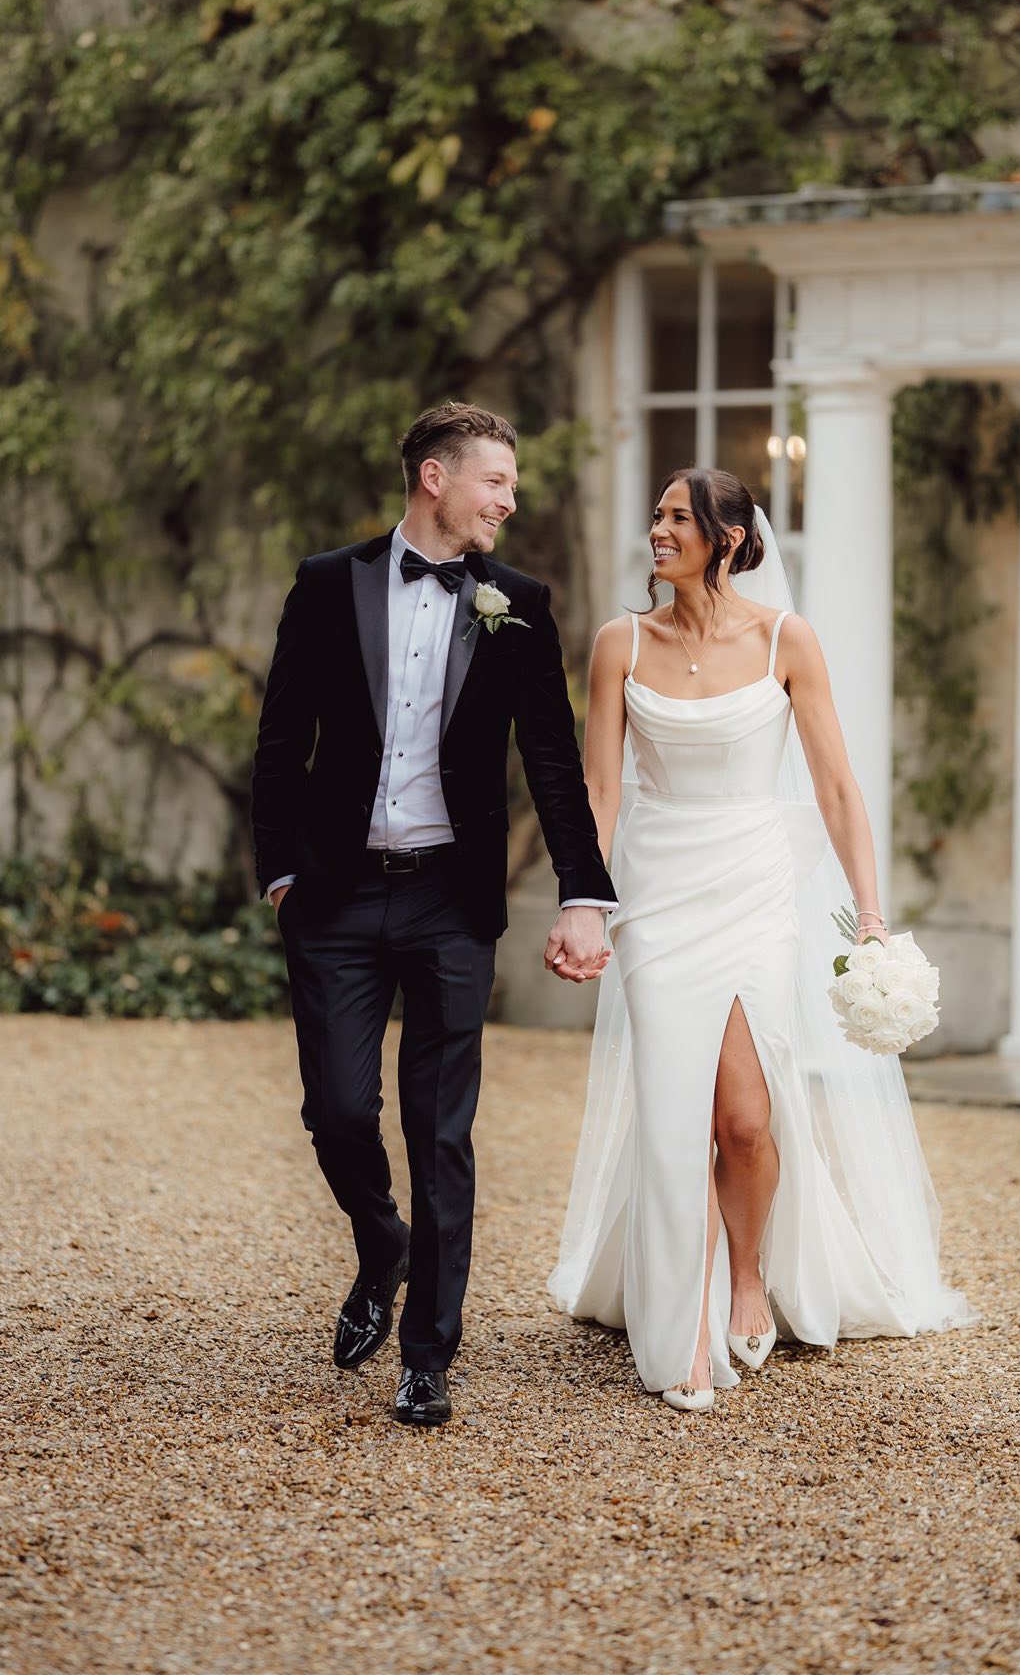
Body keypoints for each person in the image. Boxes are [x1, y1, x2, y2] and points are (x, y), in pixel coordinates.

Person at [549, 467, 972, 1411]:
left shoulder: (788, 640)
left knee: (744, 1121)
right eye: (657, 516)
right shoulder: (621, 642)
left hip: (755, 893)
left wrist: (870, 917)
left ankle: (747, 1272)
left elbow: (836, 787)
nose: (659, 531)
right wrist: (583, 902)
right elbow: (600, 791)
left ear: (731, 538)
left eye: (679, 518)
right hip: (657, 897)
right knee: (674, 1119)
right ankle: (685, 1336)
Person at [252, 402, 615, 1428]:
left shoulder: (517, 603)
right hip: (334, 894)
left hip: (451, 900)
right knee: (337, 1112)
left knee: (440, 1130)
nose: (509, 500)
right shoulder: (330, 582)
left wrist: (583, 892)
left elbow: (552, 759)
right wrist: (279, 872)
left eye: (511, 484)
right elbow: (281, 737)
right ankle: (383, 1243)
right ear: (434, 478)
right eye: (496, 481)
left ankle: (428, 1356)